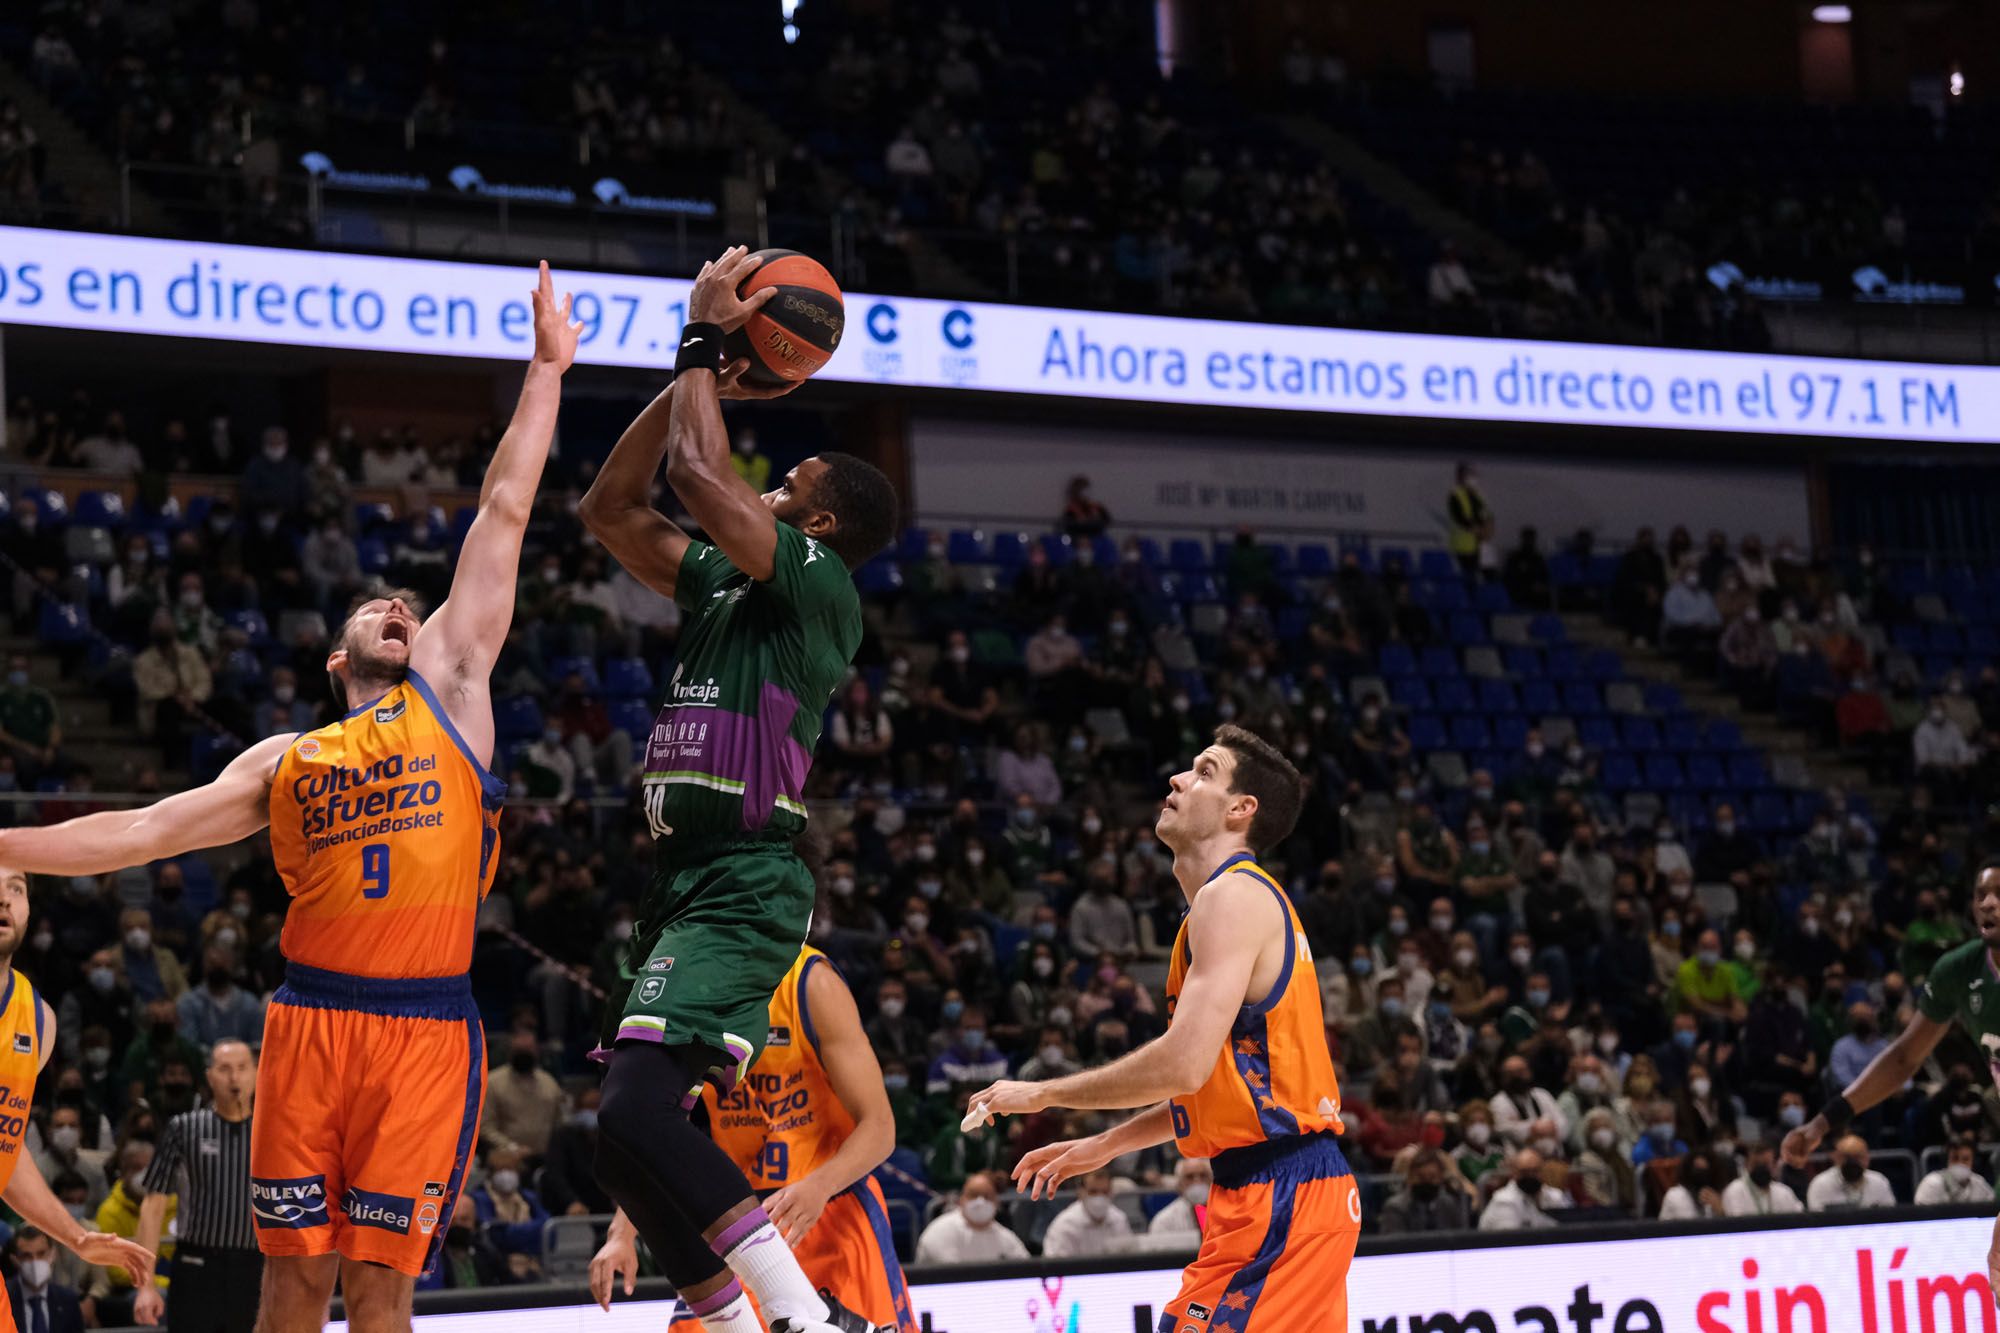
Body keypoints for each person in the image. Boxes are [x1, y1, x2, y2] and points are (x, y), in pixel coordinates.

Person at [0, 263, 581, 1331]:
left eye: (408, 602)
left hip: (422, 1029)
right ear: (335, 656)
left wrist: (543, 373)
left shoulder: (453, 692)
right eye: (377, 604)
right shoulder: (284, 761)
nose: (401, 606)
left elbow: (503, 507)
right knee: (291, 1283)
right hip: (311, 1020)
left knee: (379, 1289)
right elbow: (138, 831)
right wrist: (5, 842)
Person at [577, 247, 898, 1333]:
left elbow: (705, 482)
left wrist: (706, 346)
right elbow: (611, 508)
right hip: (683, 880)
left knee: (629, 1106)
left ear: (817, 526)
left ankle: (805, 1320)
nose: (772, 476)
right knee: (621, 1132)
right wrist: (692, 381)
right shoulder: (728, 582)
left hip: (744, 880)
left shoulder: (819, 588)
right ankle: (718, 1317)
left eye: (793, 481)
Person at [975, 725, 1357, 1331]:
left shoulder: (1232, 899)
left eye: (1205, 771)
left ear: (1241, 809)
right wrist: (1103, 1146)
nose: (1178, 779)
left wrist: (1043, 1091)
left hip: (1283, 1192)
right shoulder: (1223, 908)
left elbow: (1182, 1065)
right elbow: (1216, 1084)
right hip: (1280, 1188)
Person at [592, 946, 914, 1333]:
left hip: (829, 1206)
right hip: (732, 1216)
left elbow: (880, 1128)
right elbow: (657, 1128)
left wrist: (819, 1187)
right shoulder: (691, 987)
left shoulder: (812, 984)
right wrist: (622, 1229)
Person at [0, 862, 155, 1329]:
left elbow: (6, 1152)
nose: (4, 899)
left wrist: (75, 1237)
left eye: (16, 888)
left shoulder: (39, 1021)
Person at [131, 1041, 258, 1333]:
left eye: (242, 1068)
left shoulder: (273, 1131)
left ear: (256, 1073)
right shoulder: (184, 1128)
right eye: (225, 1069)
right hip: (196, 1267)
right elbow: (153, 1207)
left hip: (255, 1269)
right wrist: (145, 1286)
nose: (234, 1078)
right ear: (210, 1076)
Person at [912, 1174, 1029, 1265]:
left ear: (997, 1202)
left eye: (987, 1196)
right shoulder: (940, 1231)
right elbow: (951, 1276)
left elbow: (1026, 1269)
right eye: (974, 1195)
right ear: (961, 1199)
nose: (980, 1202)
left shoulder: (1006, 1237)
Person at [8, 1227, 86, 1333]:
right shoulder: (3, 1298)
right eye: (27, 1256)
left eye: (41, 1254)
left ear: (52, 1255)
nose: (35, 1261)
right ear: (15, 1260)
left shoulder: (68, 1300)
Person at [1040, 1170, 1132, 1259]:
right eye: (1093, 1192)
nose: (1099, 1197)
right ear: (1081, 1192)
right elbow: (1056, 1268)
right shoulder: (1065, 1225)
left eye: (1105, 1192)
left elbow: (1128, 1257)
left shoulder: (1119, 1219)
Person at [1376, 1147, 1471, 1233]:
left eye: (1432, 1177)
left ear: (1441, 1178)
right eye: (1420, 1177)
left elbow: (1460, 1239)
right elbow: (1393, 1245)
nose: (1426, 1182)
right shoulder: (1395, 1207)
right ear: (1410, 1178)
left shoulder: (1449, 1205)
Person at [1803, 1135, 1895, 1211]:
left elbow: (1890, 1216)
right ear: (1836, 1158)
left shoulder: (1879, 1182)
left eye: (1857, 1157)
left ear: (1867, 1159)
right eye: (1847, 1157)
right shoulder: (1821, 1184)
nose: (1852, 1163)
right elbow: (1816, 1220)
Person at [1477, 1149, 1562, 1230]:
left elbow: (1562, 1226)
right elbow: (1511, 1240)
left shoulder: (1549, 1196)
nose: (1531, 1176)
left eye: (1535, 1171)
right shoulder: (1504, 1201)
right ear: (1514, 1173)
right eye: (1525, 1172)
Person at [1721, 1143, 1801, 1217]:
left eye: (1766, 1164)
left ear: (1774, 1165)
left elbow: (1800, 1219)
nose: (1761, 1168)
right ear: (1747, 1165)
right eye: (1756, 1164)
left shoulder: (1784, 1192)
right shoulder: (1735, 1191)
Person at [1914, 1135, 1994, 1206]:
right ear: (1946, 1160)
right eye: (1955, 1158)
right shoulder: (1931, 1184)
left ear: (1974, 1161)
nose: (1960, 1163)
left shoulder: (1980, 1184)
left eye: (1965, 1159)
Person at [1146, 1157, 1212, 1240]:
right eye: (1189, 1177)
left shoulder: (1226, 1214)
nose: (1197, 1181)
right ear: (1179, 1184)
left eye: (1203, 1175)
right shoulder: (1164, 1221)